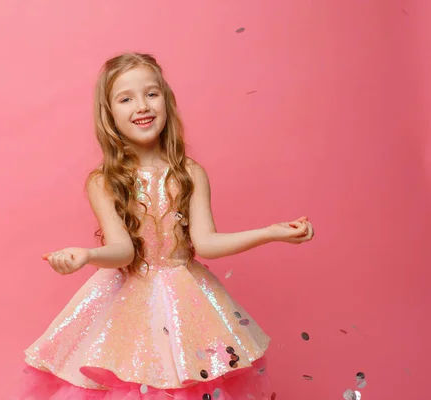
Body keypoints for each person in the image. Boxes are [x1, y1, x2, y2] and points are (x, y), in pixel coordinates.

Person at [18, 52, 314, 400]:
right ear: (110, 114)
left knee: (186, 380)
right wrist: (87, 255)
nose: (141, 106)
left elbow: (206, 244)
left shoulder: (190, 173)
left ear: (167, 100)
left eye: (151, 93)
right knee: (132, 380)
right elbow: (123, 250)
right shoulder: (105, 181)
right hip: (128, 304)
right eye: (126, 98)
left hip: (185, 300)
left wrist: (270, 233)